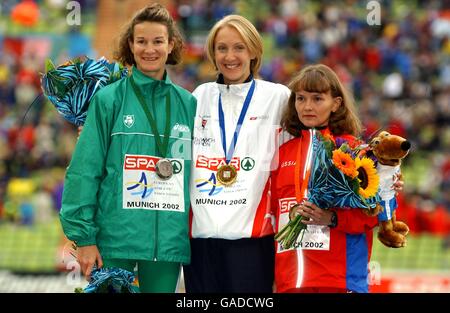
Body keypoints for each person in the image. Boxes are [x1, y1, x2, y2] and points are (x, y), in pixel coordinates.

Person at [59, 4, 197, 293]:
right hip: (114, 242)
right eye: (141, 41)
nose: (150, 49)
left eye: (158, 41)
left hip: (167, 245)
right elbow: (85, 171)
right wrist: (83, 238)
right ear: (130, 45)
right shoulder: (108, 100)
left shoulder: (189, 104)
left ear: (170, 45)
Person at [271, 64, 403, 293]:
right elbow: (274, 212)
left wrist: (332, 218)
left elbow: (373, 215)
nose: (307, 106)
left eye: (317, 99)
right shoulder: (282, 152)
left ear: (336, 103)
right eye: (300, 99)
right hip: (290, 282)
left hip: (340, 281)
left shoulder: (354, 151)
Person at [183, 15, 291, 293]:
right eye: (222, 48)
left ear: (254, 51)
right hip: (201, 241)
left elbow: (314, 140)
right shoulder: (199, 96)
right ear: (213, 53)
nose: (230, 56)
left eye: (239, 47)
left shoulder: (278, 97)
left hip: (252, 242)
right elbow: (176, 155)